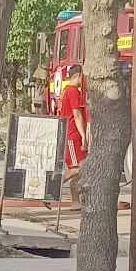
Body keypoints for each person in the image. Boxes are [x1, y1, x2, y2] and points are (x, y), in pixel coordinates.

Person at [58, 64, 90, 208]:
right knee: (77, 168)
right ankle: (53, 186)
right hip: (73, 135)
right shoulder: (72, 92)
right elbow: (77, 115)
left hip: (72, 134)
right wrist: (83, 136)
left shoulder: (67, 91)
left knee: (80, 170)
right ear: (78, 76)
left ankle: (76, 202)